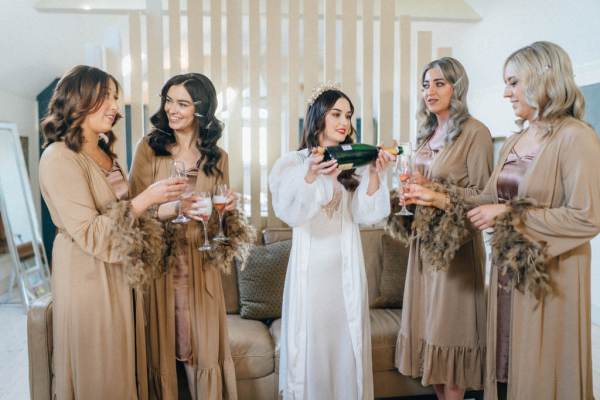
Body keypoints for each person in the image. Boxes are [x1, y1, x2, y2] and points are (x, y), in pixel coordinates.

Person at [408, 41, 600, 400]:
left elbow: (587, 218)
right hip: (506, 276)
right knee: (506, 372)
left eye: (513, 82)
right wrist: (436, 196)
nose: (506, 92)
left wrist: (508, 215)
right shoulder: (516, 140)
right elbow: (486, 198)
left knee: (541, 373)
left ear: (543, 79)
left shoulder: (577, 137)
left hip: (550, 279)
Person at [39, 65, 186, 399]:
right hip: (87, 275)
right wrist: (146, 197)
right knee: (101, 370)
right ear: (78, 99)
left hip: (120, 271)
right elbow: (91, 232)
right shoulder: (58, 157)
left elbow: (128, 212)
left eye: (115, 97)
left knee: (123, 369)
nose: (115, 106)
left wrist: (170, 207)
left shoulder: (105, 152)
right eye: (105, 96)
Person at [129, 72, 254, 400]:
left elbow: (220, 225)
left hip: (200, 266)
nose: (172, 109)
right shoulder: (149, 148)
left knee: (198, 352)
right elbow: (131, 211)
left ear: (202, 109)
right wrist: (173, 208)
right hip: (159, 268)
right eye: (168, 100)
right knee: (165, 348)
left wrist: (226, 213)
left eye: (182, 103)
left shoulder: (218, 157)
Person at [269, 85, 393, 399]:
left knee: (347, 345)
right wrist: (311, 174)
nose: (344, 122)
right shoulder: (293, 163)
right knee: (312, 344)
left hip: (346, 270)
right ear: (318, 117)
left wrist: (376, 174)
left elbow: (367, 214)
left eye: (348, 116)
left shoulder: (353, 162)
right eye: (336, 113)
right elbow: (291, 212)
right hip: (311, 275)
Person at [390, 57, 492, 400]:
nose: (429, 92)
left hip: (456, 252)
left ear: (456, 87)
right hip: (423, 248)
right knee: (429, 341)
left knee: (451, 341)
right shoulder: (425, 134)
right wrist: (412, 191)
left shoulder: (475, 133)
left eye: (439, 83)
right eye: (425, 85)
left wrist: (435, 194)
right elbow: (423, 187)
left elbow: (483, 195)